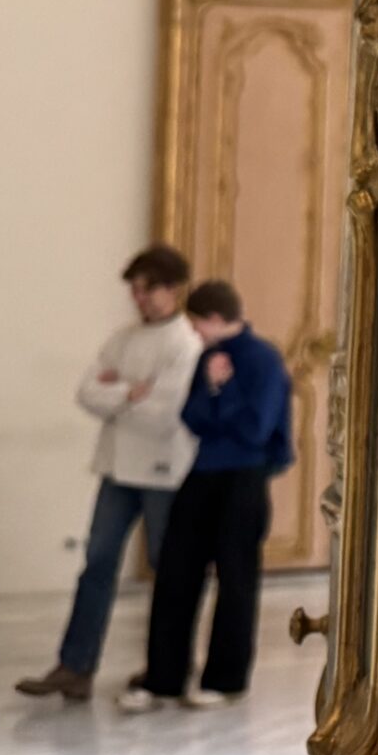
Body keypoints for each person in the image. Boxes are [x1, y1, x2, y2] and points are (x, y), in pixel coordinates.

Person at [16, 245, 204, 701]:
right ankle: (75, 666)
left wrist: (119, 395)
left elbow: (165, 413)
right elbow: (86, 392)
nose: (139, 299)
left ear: (173, 289)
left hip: (163, 471)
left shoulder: (186, 344)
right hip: (117, 469)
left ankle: (171, 666)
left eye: (147, 290)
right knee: (97, 565)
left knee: (169, 570)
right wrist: (131, 393)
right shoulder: (122, 339)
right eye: (134, 290)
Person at [121, 280, 291, 711]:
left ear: (215, 319)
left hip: (244, 477)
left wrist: (223, 391)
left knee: (236, 579)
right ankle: (163, 678)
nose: (194, 332)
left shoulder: (264, 360)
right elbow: (192, 416)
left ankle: (225, 679)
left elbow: (256, 429)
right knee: (175, 573)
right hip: (201, 473)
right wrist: (214, 394)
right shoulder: (208, 357)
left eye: (196, 323)